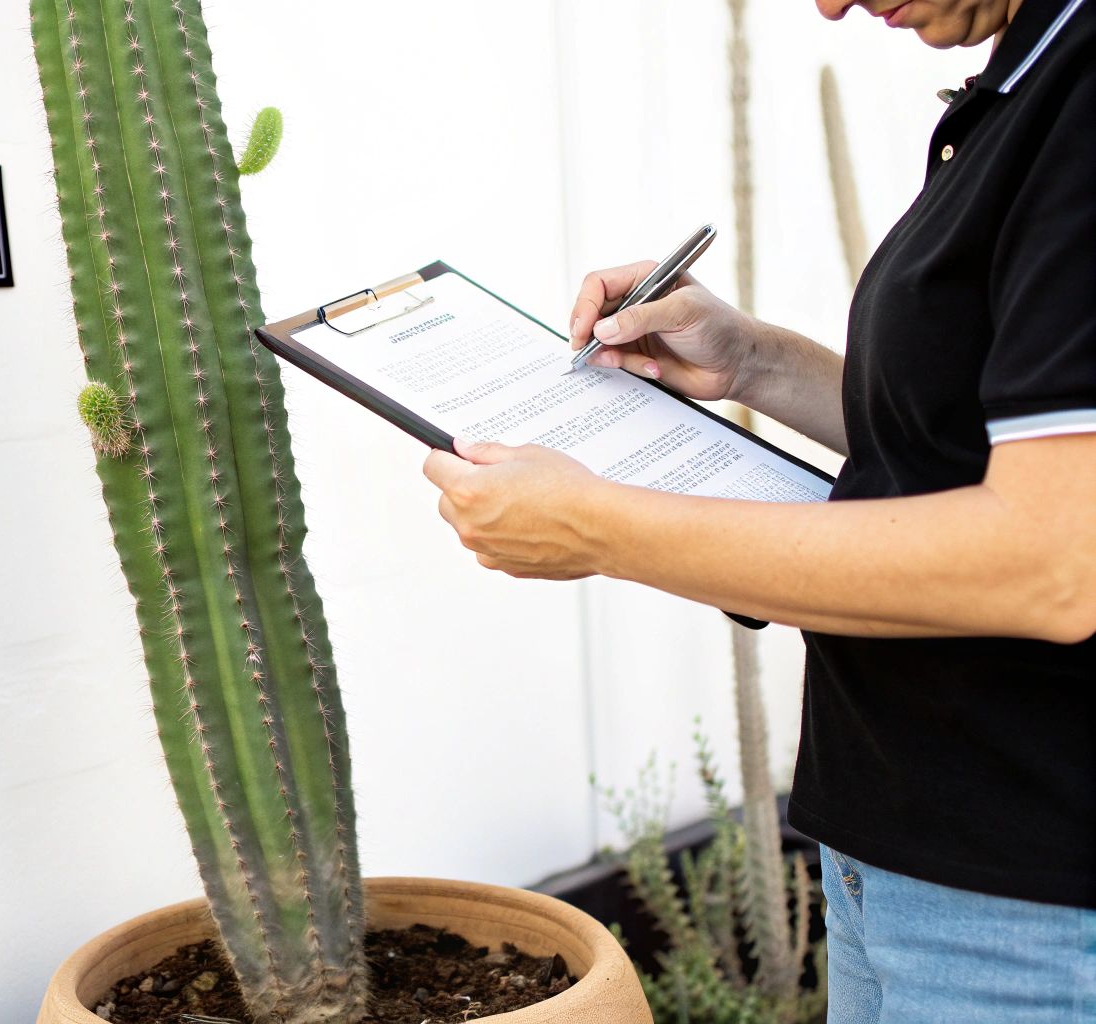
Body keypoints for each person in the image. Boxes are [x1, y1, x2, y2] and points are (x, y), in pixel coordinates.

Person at [421, 0, 1095, 1019]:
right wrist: (753, 360)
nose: (829, 4)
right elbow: (974, 438)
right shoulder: (1030, 73)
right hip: (906, 857)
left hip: (1028, 905)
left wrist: (597, 524)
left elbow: (1051, 560)